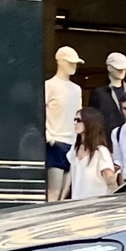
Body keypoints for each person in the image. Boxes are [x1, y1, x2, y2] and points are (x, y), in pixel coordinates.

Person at [44, 44, 83, 201]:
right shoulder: (49, 86)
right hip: (56, 142)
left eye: (75, 63)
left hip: (73, 143)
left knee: (66, 193)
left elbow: (79, 116)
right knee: (53, 192)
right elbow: (41, 113)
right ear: (60, 61)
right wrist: (49, 137)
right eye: (70, 62)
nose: (73, 66)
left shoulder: (76, 89)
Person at [68, 106, 120, 201]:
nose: (75, 123)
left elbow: (110, 180)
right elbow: (70, 177)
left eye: (79, 120)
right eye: (75, 119)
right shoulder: (74, 149)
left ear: (89, 123)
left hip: (96, 204)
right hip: (76, 202)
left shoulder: (100, 152)